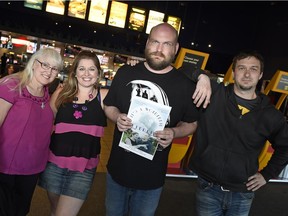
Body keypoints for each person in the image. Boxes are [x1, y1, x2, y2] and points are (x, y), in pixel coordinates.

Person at [103, 22, 211, 216]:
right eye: (155, 42)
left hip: (151, 179)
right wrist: (117, 117)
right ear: (147, 43)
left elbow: (192, 123)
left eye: (167, 44)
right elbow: (109, 105)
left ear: (176, 48)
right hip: (117, 172)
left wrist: (174, 132)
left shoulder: (185, 86)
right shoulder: (126, 73)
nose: (159, 49)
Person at [187, 50, 288, 216]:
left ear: (261, 74)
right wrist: (202, 77)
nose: (247, 74)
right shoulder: (214, 94)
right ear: (233, 72)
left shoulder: (271, 115)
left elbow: (285, 147)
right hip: (208, 188)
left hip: (243, 192)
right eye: (241, 68)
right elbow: (183, 69)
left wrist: (267, 174)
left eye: (253, 69)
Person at [38, 50, 107, 216]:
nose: (86, 73)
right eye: (81, 68)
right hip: (54, 164)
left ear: (98, 73)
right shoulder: (61, 94)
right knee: (55, 211)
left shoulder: (104, 97)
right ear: (75, 72)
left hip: (83, 170)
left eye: (91, 69)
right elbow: (45, 120)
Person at [0, 48, 63, 216]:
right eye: (45, 65)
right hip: (6, 166)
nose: (49, 71)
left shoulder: (46, 94)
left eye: (54, 68)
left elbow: (45, 123)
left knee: (21, 211)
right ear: (34, 63)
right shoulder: (12, 85)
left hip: (32, 167)